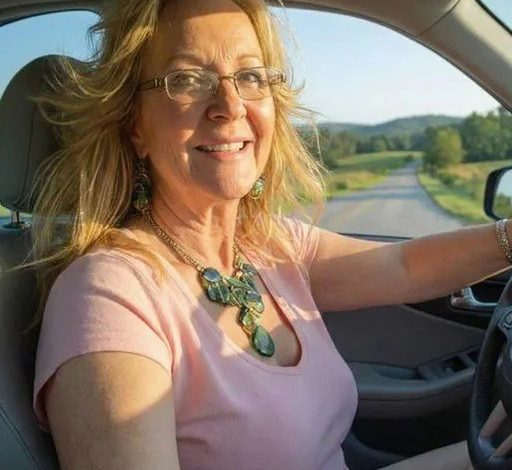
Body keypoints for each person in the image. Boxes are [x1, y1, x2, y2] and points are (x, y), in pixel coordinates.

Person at [29, 0, 504, 468]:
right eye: (188, 79)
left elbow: (402, 267)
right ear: (135, 125)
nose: (230, 105)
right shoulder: (107, 296)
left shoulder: (270, 245)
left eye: (251, 76)